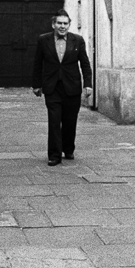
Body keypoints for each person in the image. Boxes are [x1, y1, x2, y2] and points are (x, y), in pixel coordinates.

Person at [32, 9, 93, 166]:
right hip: (52, 87)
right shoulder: (43, 40)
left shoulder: (77, 40)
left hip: (72, 87)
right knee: (54, 121)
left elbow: (85, 64)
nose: (62, 26)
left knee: (69, 121)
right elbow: (38, 63)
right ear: (53, 24)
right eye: (59, 23)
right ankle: (54, 155)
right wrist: (36, 85)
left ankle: (68, 148)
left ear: (69, 25)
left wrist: (88, 84)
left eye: (65, 23)